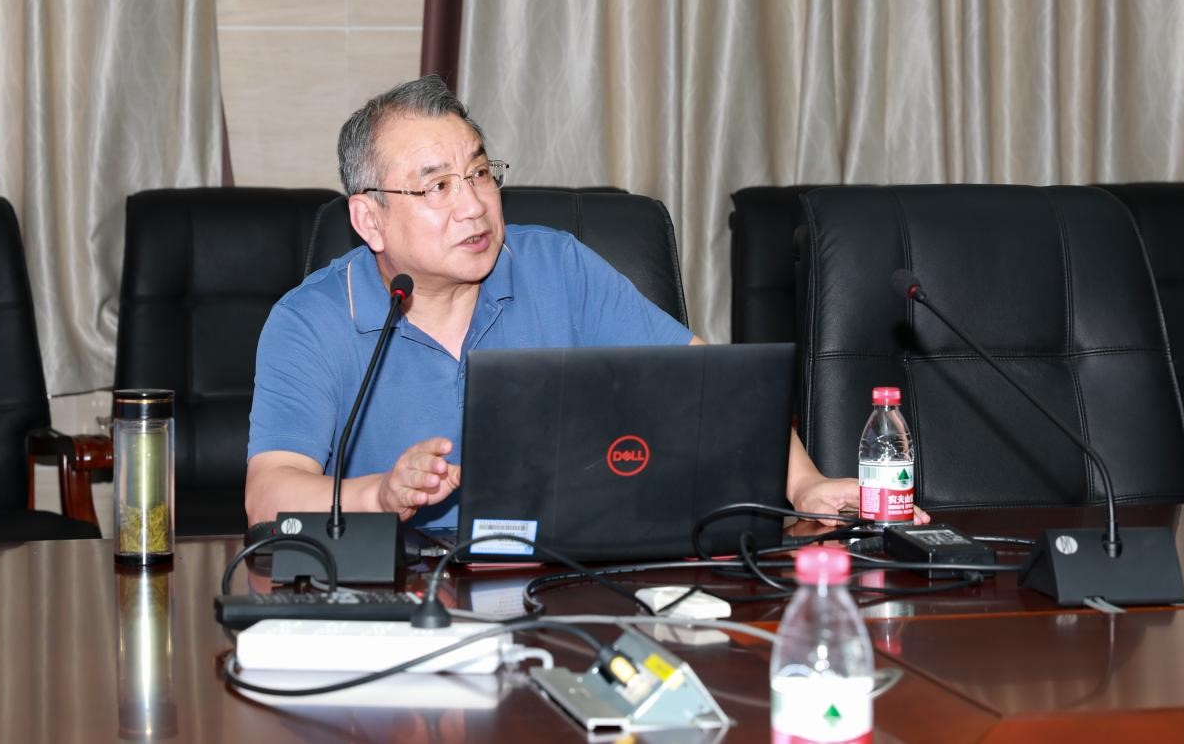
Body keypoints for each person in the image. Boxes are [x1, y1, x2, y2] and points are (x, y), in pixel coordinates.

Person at [245, 75, 927, 529]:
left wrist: (803, 486)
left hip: (567, 572)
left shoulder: (557, 267)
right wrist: (379, 493)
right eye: (438, 186)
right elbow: (269, 494)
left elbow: (710, 385)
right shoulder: (311, 319)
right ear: (369, 219)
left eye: (480, 172)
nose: (474, 204)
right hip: (400, 591)